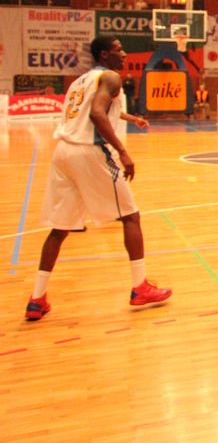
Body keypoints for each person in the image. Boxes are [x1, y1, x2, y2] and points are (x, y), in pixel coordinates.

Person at [25, 36, 172, 321]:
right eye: (118, 49)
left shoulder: (80, 82)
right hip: (88, 152)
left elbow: (100, 109)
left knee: (60, 228)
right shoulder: (112, 76)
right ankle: (140, 287)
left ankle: (37, 298)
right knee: (131, 216)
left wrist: (132, 119)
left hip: (62, 153)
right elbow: (96, 114)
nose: (124, 53)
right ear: (104, 55)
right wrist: (123, 151)